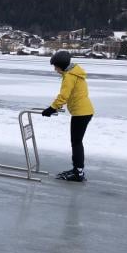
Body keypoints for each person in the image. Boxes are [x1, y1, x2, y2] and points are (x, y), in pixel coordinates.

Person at [42, 50, 94, 182]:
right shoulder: (75, 73)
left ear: (61, 65)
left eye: (55, 66)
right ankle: (77, 170)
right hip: (84, 111)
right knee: (77, 142)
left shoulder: (70, 76)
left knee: (76, 143)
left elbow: (64, 96)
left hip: (81, 113)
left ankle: (78, 172)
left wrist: (52, 108)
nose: (55, 69)